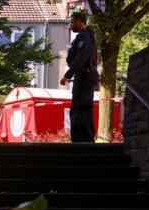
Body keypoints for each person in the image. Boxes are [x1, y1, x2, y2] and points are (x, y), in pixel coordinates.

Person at [60, 11, 99, 143]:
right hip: (82, 75)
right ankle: (79, 140)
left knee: (81, 108)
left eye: (72, 22)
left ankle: (84, 141)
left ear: (79, 22)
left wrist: (67, 76)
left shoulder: (85, 37)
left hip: (85, 75)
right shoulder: (82, 37)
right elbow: (72, 59)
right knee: (77, 108)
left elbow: (80, 58)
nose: (70, 26)